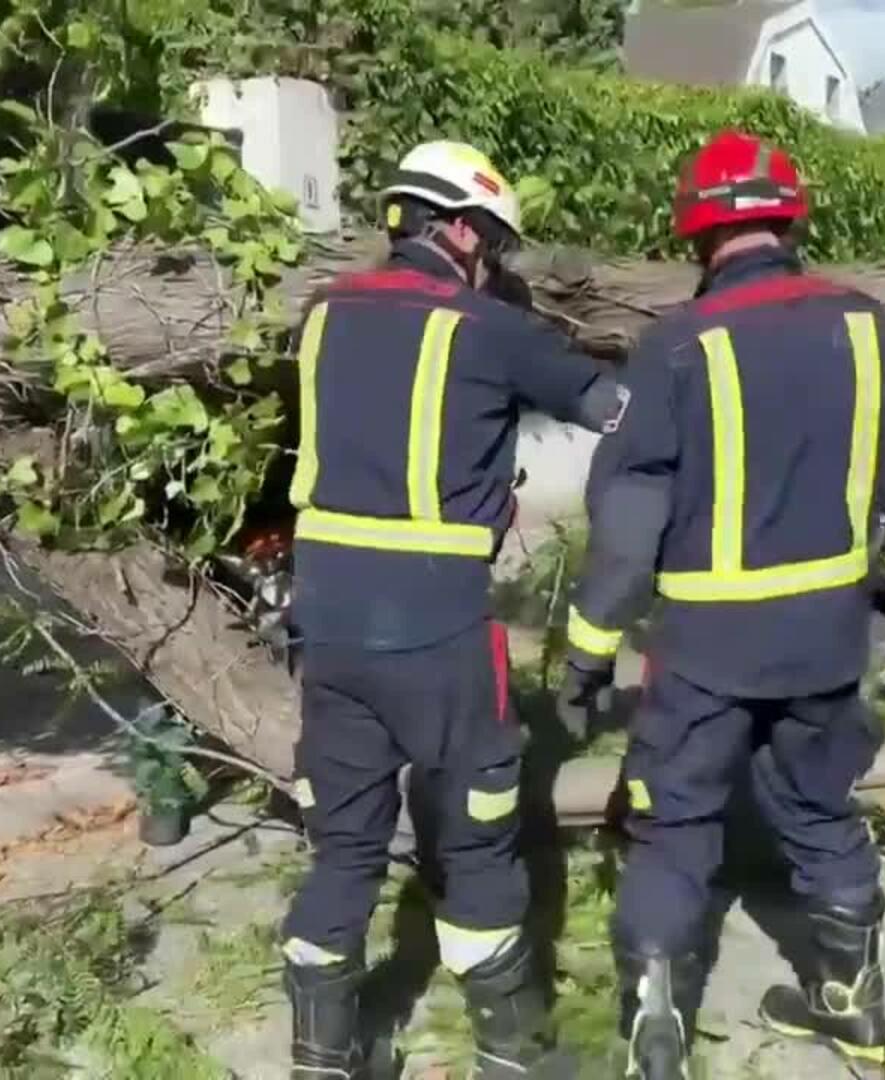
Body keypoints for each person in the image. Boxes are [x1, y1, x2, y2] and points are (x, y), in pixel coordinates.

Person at [554, 130, 885, 1078]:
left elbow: (627, 522)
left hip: (701, 648)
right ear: (790, 216)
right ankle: (855, 1009)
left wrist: (586, 652)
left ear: (696, 234)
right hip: (826, 636)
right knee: (821, 811)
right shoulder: (864, 326)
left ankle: (656, 1038)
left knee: (674, 826)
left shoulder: (675, 348)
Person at [279, 140, 621, 1079]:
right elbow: (615, 410)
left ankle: (323, 1058)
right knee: (476, 842)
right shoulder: (487, 328)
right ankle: (512, 1057)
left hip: (329, 625)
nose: (496, 267)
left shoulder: (321, 315)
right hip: (438, 629)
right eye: (494, 248)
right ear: (461, 228)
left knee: (342, 850)